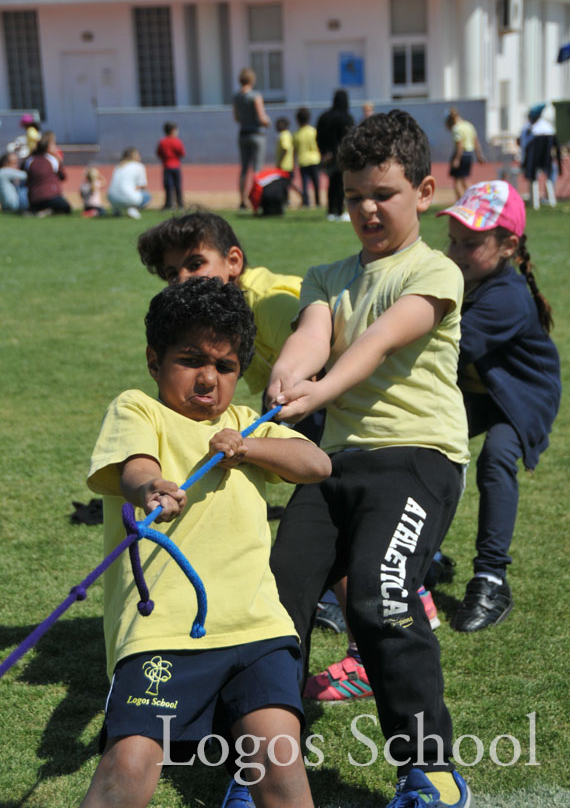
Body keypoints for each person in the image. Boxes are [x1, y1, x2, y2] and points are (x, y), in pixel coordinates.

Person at [266, 110, 472, 808]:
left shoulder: (435, 269)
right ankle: (267, 769)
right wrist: (289, 376)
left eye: (382, 193)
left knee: (383, 599)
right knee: (273, 604)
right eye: (353, 195)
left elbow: (381, 339)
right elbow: (313, 334)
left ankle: (431, 770)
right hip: (333, 465)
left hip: (417, 458)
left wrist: (321, 388)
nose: (366, 209)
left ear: (425, 189)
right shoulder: (327, 274)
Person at [81, 276, 331, 808]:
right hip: (164, 631)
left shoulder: (246, 424)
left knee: (280, 763)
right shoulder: (139, 409)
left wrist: (250, 448)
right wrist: (151, 486)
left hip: (257, 625)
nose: (208, 378)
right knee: (130, 762)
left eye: (224, 366)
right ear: (155, 360)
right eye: (191, 359)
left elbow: (317, 463)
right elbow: (134, 466)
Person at [439, 180, 561, 632]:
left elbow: (447, 349)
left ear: (508, 245)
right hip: (479, 388)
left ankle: (492, 579)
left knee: (495, 457)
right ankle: (424, 555)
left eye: (470, 243)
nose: (456, 251)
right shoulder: (462, 273)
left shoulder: (505, 297)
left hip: (522, 395)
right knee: (425, 441)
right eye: (452, 240)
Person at [136, 210, 302, 397]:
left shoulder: (267, 302)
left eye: (195, 264)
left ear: (233, 261)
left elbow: (315, 369)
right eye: (172, 274)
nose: (182, 279)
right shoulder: (224, 313)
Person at [233, 68, 270, 209]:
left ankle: (242, 200)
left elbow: (236, 117)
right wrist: (268, 121)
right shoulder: (255, 96)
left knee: (243, 169)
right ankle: (256, 198)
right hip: (257, 134)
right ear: (252, 80)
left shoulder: (237, 97)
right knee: (257, 169)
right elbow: (261, 117)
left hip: (243, 134)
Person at [316, 89, 354, 221]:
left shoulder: (324, 117)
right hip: (342, 155)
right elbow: (350, 137)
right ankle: (339, 210)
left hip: (328, 156)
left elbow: (319, 136)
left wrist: (323, 152)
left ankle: (331, 210)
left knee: (331, 183)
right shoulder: (346, 117)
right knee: (340, 184)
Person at [25, 135, 71, 216]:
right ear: (47, 147)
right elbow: (63, 176)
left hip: (33, 199)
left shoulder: (30, 160)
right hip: (51, 197)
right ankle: (49, 211)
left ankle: (36, 210)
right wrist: (59, 161)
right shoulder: (52, 159)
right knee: (66, 207)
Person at [445, 107, 485, 200]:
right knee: (464, 180)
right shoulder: (469, 125)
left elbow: (460, 146)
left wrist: (457, 159)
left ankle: (459, 205)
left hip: (461, 155)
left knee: (457, 182)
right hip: (469, 155)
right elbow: (476, 142)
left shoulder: (456, 128)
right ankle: (478, 197)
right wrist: (479, 155)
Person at [107, 147, 150, 219]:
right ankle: (132, 208)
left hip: (111, 198)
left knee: (121, 193)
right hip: (130, 199)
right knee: (147, 196)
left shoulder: (118, 166)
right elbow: (143, 185)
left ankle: (117, 209)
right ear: (134, 156)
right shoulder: (139, 166)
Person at [293, 107, 321, 208]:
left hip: (303, 160)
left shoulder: (296, 134)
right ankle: (318, 201)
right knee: (316, 182)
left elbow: (294, 150)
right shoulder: (313, 131)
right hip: (314, 159)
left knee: (304, 183)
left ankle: (306, 201)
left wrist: (293, 162)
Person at [156, 121, 186, 210]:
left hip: (166, 166)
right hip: (176, 166)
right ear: (173, 131)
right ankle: (180, 204)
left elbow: (159, 153)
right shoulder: (177, 141)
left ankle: (168, 204)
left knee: (168, 186)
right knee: (178, 186)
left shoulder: (162, 142)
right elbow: (182, 153)